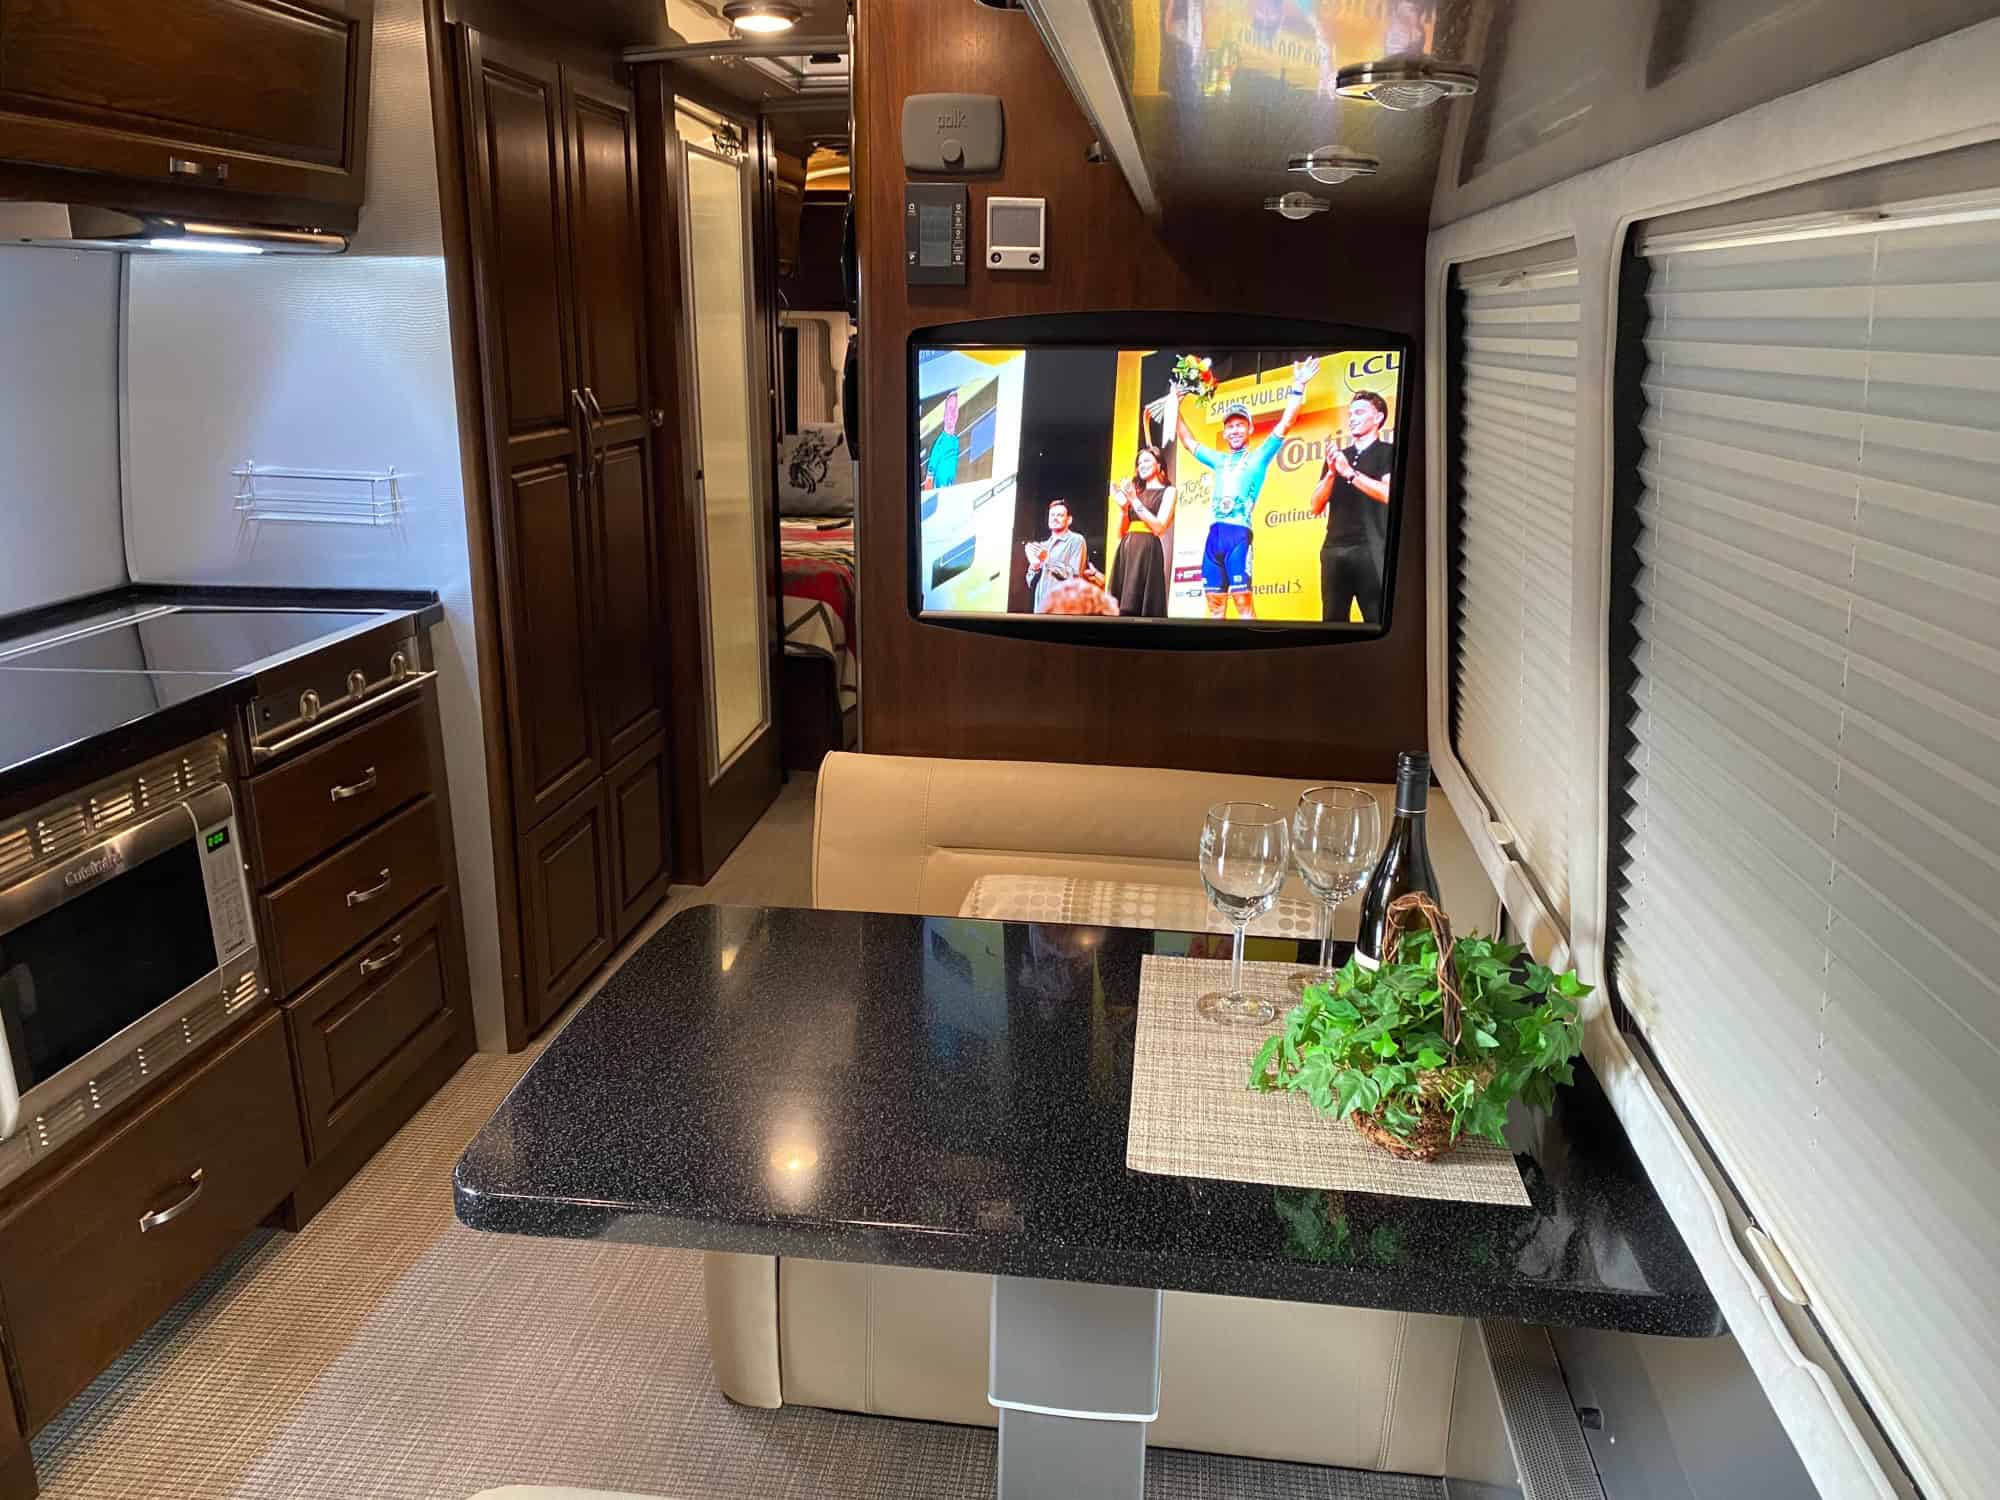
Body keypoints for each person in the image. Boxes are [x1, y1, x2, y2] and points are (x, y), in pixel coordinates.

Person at [1154, 356, 1318, 619]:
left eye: (1240, 425)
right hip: (1214, 537)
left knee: (1243, 605)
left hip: (1239, 535)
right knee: (1215, 608)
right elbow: (1187, 442)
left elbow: (1286, 423)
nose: (1234, 431)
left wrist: (1298, 386)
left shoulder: (1259, 456)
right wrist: (1175, 407)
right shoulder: (1219, 460)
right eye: (1229, 427)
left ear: (1250, 429)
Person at [1308, 389, 1394, 623]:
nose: (1352, 418)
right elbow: (1315, 506)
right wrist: (1331, 473)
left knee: (1376, 619)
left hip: (1371, 548)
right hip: (1334, 549)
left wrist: (1350, 473)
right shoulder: (1339, 457)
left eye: (1360, 412)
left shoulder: (1389, 452)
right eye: (1350, 414)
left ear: (1378, 418)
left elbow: (1388, 494)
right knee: (1332, 622)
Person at [1108, 445, 1175, 618]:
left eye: (1146, 461)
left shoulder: (1168, 492)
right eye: (1139, 463)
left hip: (1147, 550)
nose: (1142, 466)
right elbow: (1121, 533)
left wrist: (1133, 500)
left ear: (1159, 464)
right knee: (1120, 606)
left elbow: (1159, 527)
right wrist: (1124, 509)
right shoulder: (1136, 492)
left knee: (1143, 606)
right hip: (1126, 550)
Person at [1022, 500, 1102, 613]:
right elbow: (1031, 583)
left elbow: (1074, 576)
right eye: (1052, 515)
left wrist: (1047, 559)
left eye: (1059, 515)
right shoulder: (1043, 546)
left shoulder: (1076, 540)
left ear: (1069, 520)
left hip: (1064, 611)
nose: (1055, 518)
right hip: (1041, 610)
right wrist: (1035, 566)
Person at [922, 388, 962, 490]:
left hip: (947, 483)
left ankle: (952, 402)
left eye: (954, 409)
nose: (952, 415)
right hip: (941, 484)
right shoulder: (942, 443)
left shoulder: (953, 441)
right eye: (950, 409)